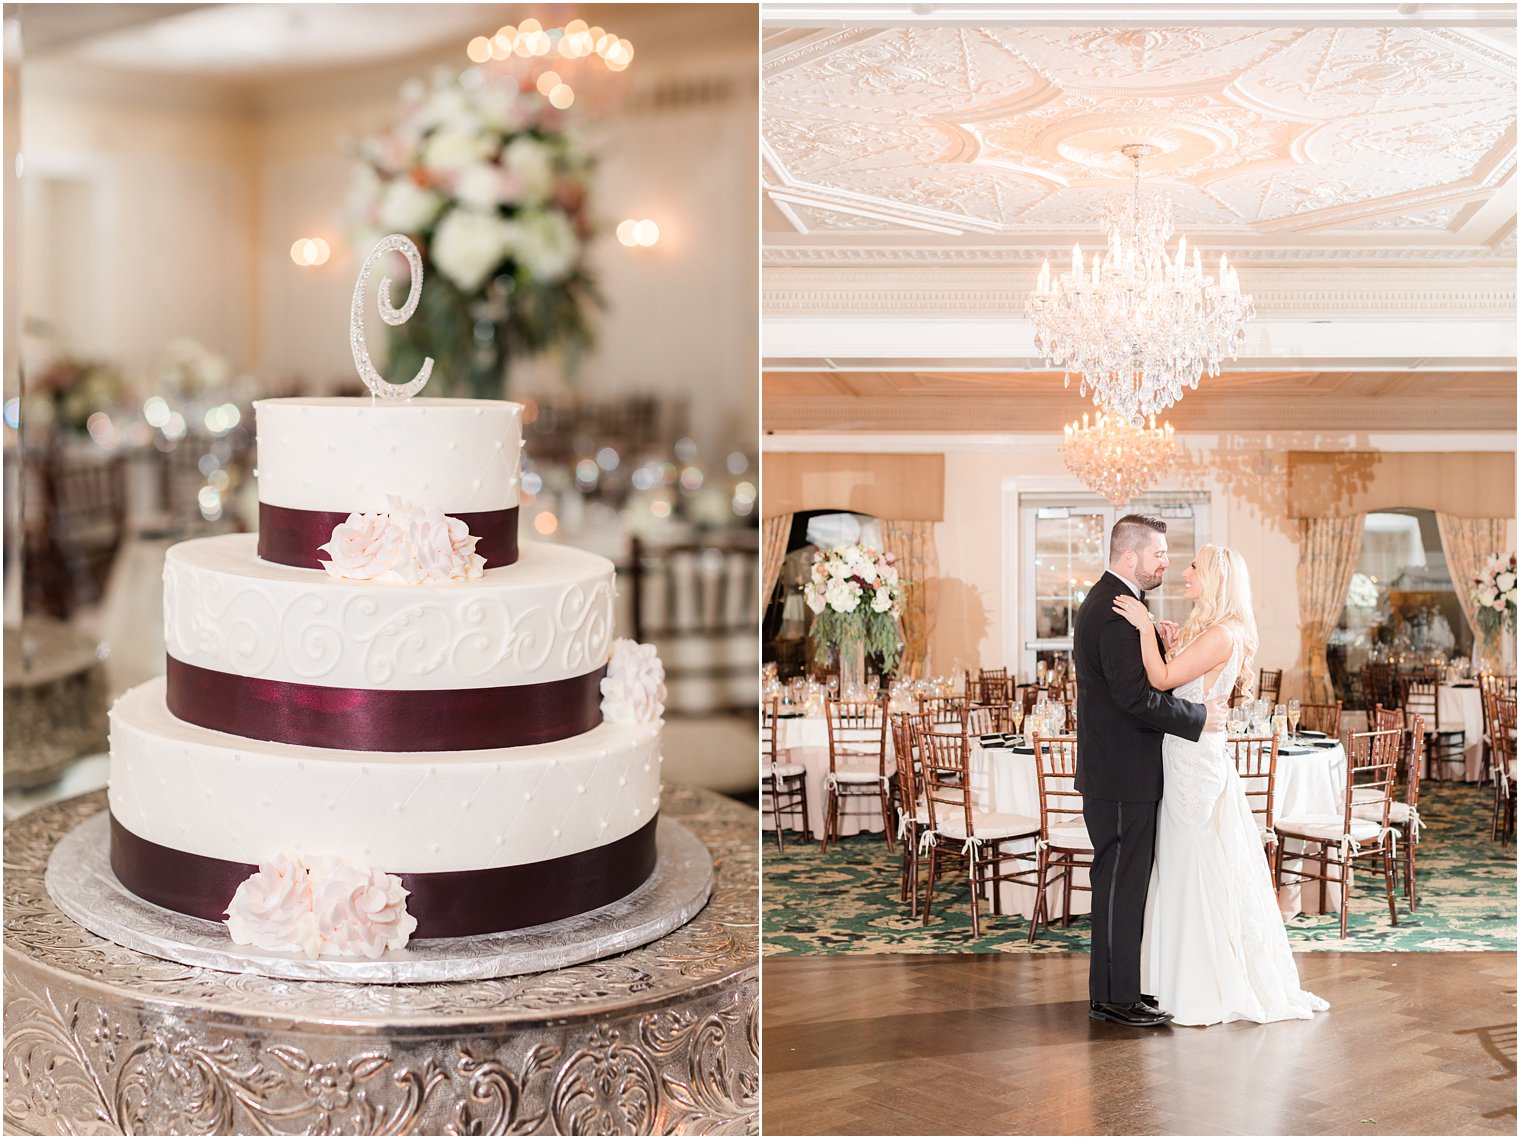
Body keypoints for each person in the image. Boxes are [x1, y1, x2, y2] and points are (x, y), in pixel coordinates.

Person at [1113, 543, 1329, 1027]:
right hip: (1188, 754)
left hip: (1193, 761)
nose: (1184, 572)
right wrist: (1166, 639)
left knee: (1193, 864)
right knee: (1187, 863)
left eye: (1193, 567)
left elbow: (1163, 679)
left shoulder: (1222, 633)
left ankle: (1199, 986)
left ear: (1213, 579)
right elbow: (1182, 677)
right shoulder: (1215, 631)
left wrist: (1146, 631)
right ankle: (1174, 979)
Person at [1073, 514, 1227, 1028]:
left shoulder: (1116, 603)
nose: (1165, 562)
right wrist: (1199, 718)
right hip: (1122, 774)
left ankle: (1114, 991)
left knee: (1123, 882)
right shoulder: (1118, 610)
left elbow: (1136, 683)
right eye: (1159, 554)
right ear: (1131, 557)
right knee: (1120, 883)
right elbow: (1135, 698)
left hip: (1119, 771)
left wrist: (1159, 644)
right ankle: (1117, 999)